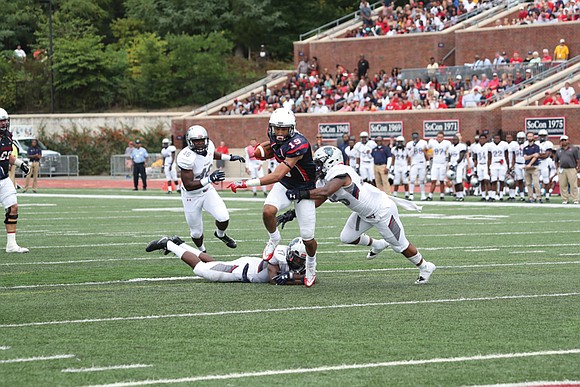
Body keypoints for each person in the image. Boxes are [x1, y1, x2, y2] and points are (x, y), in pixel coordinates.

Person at [285, 146, 436, 284]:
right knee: (347, 237)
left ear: (331, 160)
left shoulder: (341, 173)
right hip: (364, 213)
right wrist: (294, 213)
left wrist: (299, 193)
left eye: (320, 162)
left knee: (400, 246)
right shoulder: (326, 179)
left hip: (381, 210)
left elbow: (326, 191)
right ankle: (377, 244)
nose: (317, 166)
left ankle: (425, 266)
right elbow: (319, 198)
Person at [227, 108, 318, 287]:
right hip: (286, 184)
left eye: (284, 129)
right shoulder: (275, 137)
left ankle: (311, 264)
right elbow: (269, 147)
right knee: (268, 211)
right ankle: (274, 238)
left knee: (307, 237)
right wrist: (261, 149)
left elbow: (276, 175)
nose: (280, 133)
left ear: (292, 129)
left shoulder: (298, 143)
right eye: (277, 129)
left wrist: (245, 183)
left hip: (304, 189)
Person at [177, 125, 245, 252]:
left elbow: (211, 154)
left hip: (207, 190)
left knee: (223, 217)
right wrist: (210, 179)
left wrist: (229, 157)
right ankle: (202, 250)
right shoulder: (186, 156)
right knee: (196, 233)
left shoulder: (210, 146)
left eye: (202, 140)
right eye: (196, 141)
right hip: (191, 196)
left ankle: (220, 234)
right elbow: (188, 185)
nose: (200, 144)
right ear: (190, 141)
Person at [145, 235, 307, 285]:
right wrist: (293, 278)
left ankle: (181, 245)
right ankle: (168, 243)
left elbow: (308, 279)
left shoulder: (305, 262)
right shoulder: (279, 253)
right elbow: (274, 280)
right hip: (242, 270)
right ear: (290, 253)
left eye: (301, 261)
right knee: (202, 270)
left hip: (246, 267)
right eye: (298, 260)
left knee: (213, 264)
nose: (299, 264)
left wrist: (294, 277)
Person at [0, 108, 30, 253]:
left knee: (13, 207)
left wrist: (20, 164)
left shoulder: (8, 137)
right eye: (1, 121)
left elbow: (7, 156)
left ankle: (11, 245)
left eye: (5, 120)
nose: (4, 123)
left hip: (4, 178)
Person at [553, 135, 579, 205]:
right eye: (562, 140)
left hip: (571, 168)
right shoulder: (559, 151)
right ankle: (565, 199)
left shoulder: (573, 149)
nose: (564, 141)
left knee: (573, 185)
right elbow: (556, 160)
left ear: (568, 140)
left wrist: (577, 168)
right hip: (562, 169)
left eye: (565, 140)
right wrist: (557, 168)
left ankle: (575, 199)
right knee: (563, 185)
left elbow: (578, 159)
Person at [406, 132, 429, 201]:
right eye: (414, 137)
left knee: (422, 180)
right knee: (412, 179)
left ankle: (423, 194)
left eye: (416, 137)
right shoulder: (409, 144)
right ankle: (411, 194)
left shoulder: (423, 143)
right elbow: (410, 155)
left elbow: (426, 153)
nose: (415, 139)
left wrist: (427, 163)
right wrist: (413, 146)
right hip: (414, 163)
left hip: (422, 163)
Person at [488, 133, 509, 201]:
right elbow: (489, 157)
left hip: (502, 164)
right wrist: (488, 167)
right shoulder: (490, 145)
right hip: (494, 164)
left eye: (498, 138)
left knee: (501, 180)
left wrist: (508, 167)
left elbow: (506, 156)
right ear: (493, 139)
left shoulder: (504, 144)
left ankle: (501, 195)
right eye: (495, 138)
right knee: (493, 180)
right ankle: (494, 195)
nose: (497, 139)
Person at [447, 134, 467, 201]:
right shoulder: (451, 147)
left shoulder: (462, 146)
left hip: (459, 166)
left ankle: (461, 195)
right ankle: (458, 195)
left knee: (459, 180)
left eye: (455, 139)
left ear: (458, 140)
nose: (454, 141)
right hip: (453, 166)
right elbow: (449, 156)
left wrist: (455, 164)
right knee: (454, 181)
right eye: (453, 140)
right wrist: (450, 163)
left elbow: (461, 157)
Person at [471, 133, 491, 201]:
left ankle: (489, 195)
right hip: (479, 164)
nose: (482, 140)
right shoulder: (476, 147)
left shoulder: (488, 146)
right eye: (481, 139)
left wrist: (489, 167)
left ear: (486, 139)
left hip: (485, 164)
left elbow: (490, 157)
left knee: (487, 180)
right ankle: (483, 196)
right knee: (481, 181)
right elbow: (475, 158)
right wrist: (475, 168)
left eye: (483, 139)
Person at [523, 132, 541, 203]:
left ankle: (538, 197)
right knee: (528, 183)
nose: (530, 138)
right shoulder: (525, 148)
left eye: (531, 136)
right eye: (528, 136)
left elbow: (536, 156)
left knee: (536, 183)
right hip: (527, 167)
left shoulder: (536, 147)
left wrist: (530, 163)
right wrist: (532, 155)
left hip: (534, 166)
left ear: (533, 137)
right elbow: (525, 158)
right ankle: (530, 197)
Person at [536, 129, 554, 201]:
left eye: (544, 136)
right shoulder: (536, 143)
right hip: (537, 164)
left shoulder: (548, 143)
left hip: (544, 164)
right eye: (541, 136)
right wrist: (540, 155)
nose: (542, 137)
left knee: (546, 180)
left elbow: (546, 155)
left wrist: (537, 155)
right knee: (536, 181)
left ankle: (547, 196)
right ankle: (535, 196)